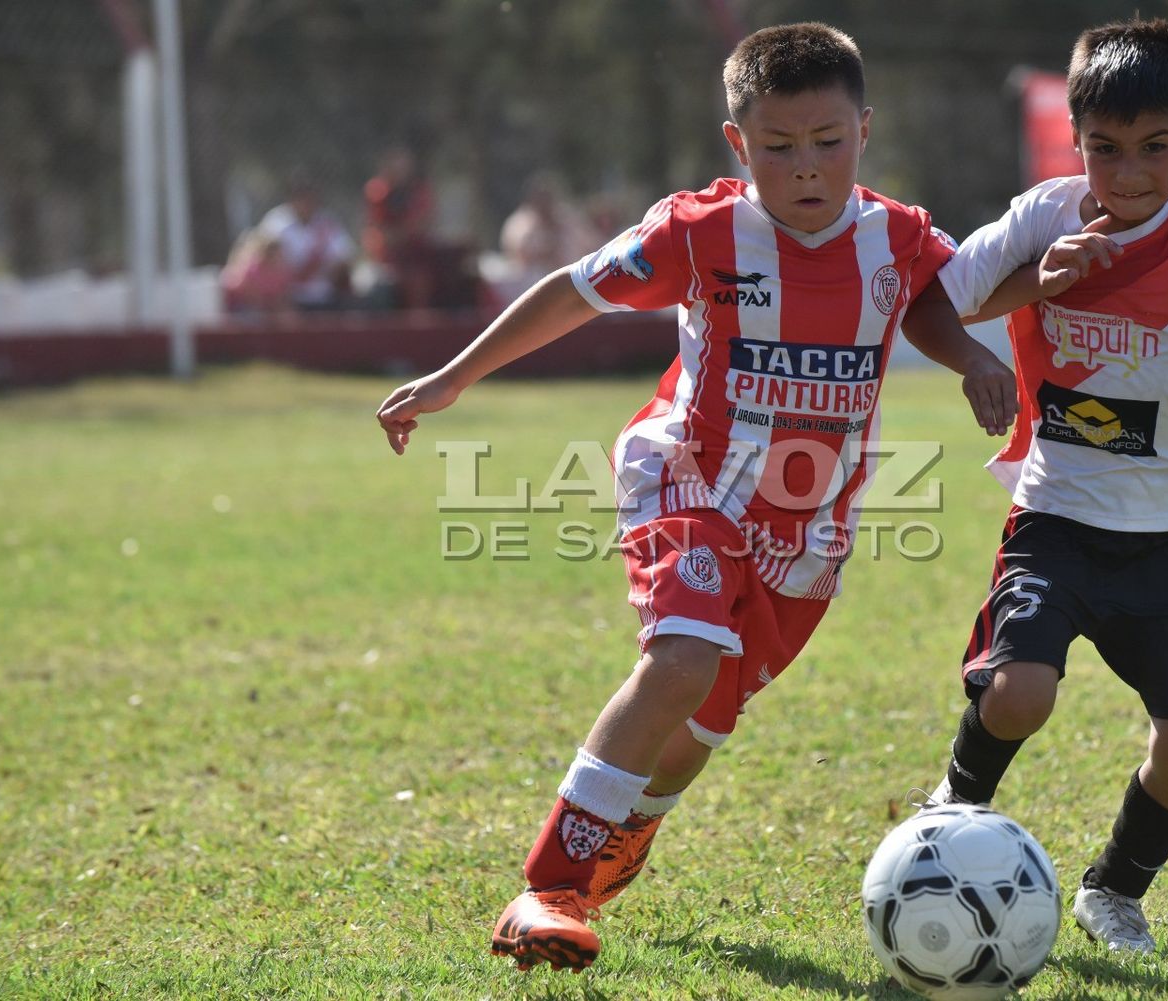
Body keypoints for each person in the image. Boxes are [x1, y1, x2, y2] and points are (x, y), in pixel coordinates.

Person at [375, 22, 1016, 974]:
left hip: (809, 526)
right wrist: (454, 378)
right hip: (688, 477)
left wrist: (967, 356)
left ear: (866, 131)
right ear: (738, 143)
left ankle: (628, 830)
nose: (806, 169)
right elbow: (570, 289)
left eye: (828, 143)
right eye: (779, 148)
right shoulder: (701, 231)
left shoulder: (898, 232)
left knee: (700, 730)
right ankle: (545, 886)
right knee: (680, 661)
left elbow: (925, 289)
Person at [918, 17, 1168, 955]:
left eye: (1155, 148)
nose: (1127, 175)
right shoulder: (1047, 212)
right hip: (1055, 517)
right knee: (1018, 692)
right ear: (1076, 142)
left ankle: (1114, 890)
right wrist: (1022, 299)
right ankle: (951, 810)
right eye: (1106, 150)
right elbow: (937, 302)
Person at [257, 176, 355, 310]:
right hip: (287, 299)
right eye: (301, 198)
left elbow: (345, 256)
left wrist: (330, 270)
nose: (306, 203)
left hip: (326, 296)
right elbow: (265, 261)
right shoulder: (276, 223)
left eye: (310, 198)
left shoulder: (327, 222)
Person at [362, 147, 442, 309]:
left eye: (404, 167)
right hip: (387, 259)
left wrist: (406, 231)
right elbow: (383, 235)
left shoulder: (418, 190)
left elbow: (424, 224)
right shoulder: (378, 191)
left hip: (417, 256)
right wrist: (404, 232)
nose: (400, 172)